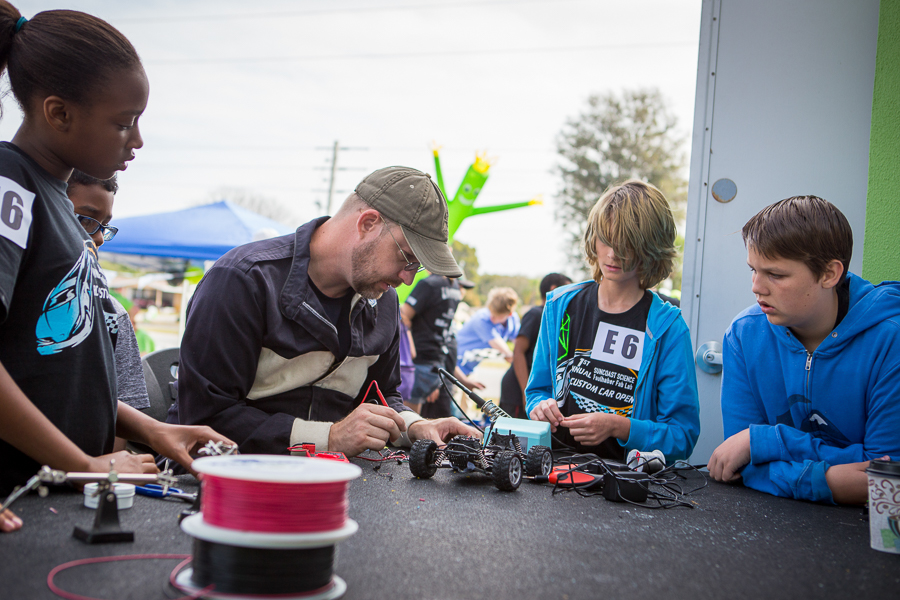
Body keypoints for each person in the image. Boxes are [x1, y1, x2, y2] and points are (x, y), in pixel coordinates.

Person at [0, 4, 232, 500]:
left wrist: (153, 430)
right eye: (125, 123)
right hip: (22, 497)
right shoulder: (9, 185)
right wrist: (83, 465)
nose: (138, 140)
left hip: (58, 492)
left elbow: (58, 373)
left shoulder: (56, 200)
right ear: (59, 113)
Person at [169, 166, 479, 457]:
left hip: (335, 480)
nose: (408, 278)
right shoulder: (244, 280)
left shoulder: (384, 300)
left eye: (417, 267)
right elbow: (204, 419)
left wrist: (414, 426)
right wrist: (328, 437)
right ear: (368, 223)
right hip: (221, 481)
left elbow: (382, 395)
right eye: (407, 257)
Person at [708, 196, 900, 504]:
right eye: (753, 270)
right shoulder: (743, 334)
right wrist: (837, 480)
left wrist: (768, 440)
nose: (757, 286)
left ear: (829, 274)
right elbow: (737, 463)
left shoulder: (890, 341)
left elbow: (887, 480)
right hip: (765, 520)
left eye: (776, 275)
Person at [526, 180, 700, 461]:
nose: (612, 254)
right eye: (606, 239)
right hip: (552, 469)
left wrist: (620, 427)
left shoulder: (668, 328)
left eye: (627, 244)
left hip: (623, 479)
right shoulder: (560, 305)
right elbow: (537, 390)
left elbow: (682, 436)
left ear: (651, 246)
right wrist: (539, 406)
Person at [67, 170, 150, 412]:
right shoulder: (19, 296)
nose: (100, 238)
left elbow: (126, 404)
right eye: (86, 220)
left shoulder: (113, 313)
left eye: (104, 226)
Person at [401, 273, 483, 418]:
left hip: (421, 360)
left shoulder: (429, 284)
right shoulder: (454, 287)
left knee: (406, 418)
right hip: (434, 363)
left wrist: (410, 348)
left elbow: (404, 315)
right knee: (414, 416)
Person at [499, 273, 572, 418]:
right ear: (554, 289)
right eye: (567, 289)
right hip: (518, 390)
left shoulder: (560, 318)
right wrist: (526, 392)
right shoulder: (536, 314)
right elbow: (518, 352)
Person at [456, 287, 520, 376]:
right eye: (491, 313)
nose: (491, 317)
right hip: (456, 364)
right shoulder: (482, 319)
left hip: (470, 367)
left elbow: (519, 343)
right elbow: (507, 354)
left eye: (496, 316)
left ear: (509, 314)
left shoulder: (513, 319)